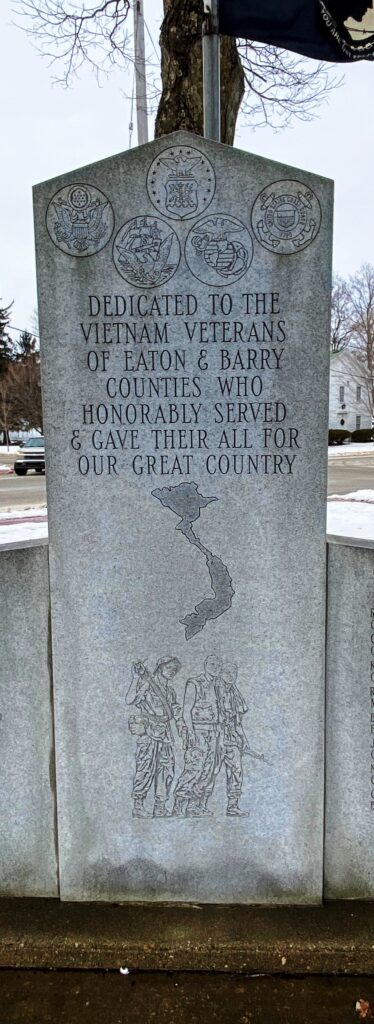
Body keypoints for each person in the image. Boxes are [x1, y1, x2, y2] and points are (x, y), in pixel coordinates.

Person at [126, 655, 183, 818]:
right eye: (168, 668)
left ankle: (160, 806)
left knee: (166, 770)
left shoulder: (170, 690)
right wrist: (135, 679)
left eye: (174, 669)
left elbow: (175, 710)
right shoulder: (148, 683)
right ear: (160, 667)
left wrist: (182, 727)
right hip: (149, 732)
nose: (171, 671)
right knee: (145, 768)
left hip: (165, 734)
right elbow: (130, 699)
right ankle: (138, 805)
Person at [172, 654, 222, 817]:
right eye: (212, 664)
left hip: (213, 731)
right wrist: (191, 733)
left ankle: (194, 805)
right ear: (205, 664)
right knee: (194, 768)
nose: (215, 667)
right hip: (198, 730)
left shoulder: (217, 685)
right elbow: (187, 709)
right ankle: (179, 805)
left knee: (207, 770)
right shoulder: (195, 683)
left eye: (218, 665)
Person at [216, 662, 249, 816]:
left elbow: (238, 722)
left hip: (232, 738)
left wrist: (244, 741)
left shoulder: (235, 693)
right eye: (227, 672)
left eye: (234, 673)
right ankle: (197, 805)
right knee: (210, 772)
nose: (231, 676)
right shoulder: (213, 690)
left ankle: (232, 806)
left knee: (236, 771)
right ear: (221, 673)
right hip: (215, 737)